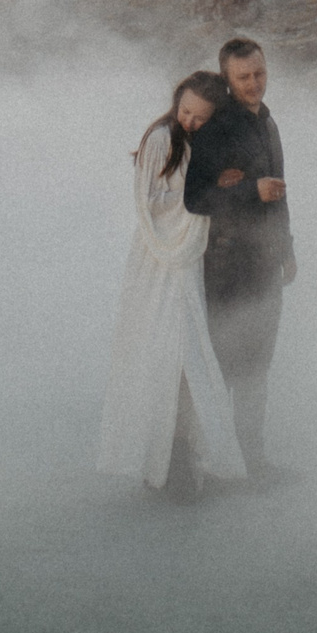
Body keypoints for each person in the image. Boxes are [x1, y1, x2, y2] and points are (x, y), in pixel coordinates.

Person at [98, 70, 249, 495]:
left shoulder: (204, 143)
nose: (190, 123)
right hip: (159, 257)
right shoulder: (162, 138)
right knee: (166, 349)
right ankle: (162, 459)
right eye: (185, 112)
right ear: (175, 103)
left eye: (200, 118)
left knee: (188, 355)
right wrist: (202, 191)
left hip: (190, 259)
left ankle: (182, 455)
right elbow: (149, 203)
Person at [183, 36, 293, 478]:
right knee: (223, 367)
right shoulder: (216, 129)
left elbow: (280, 192)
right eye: (244, 77)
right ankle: (204, 464)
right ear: (227, 80)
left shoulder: (267, 122)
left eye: (260, 73)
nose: (254, 84)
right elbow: (194, 198)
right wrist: (250, 190)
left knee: (257, 368)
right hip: (227, 268)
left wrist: (288, 250)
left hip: (266, 263)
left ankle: (251, 460)